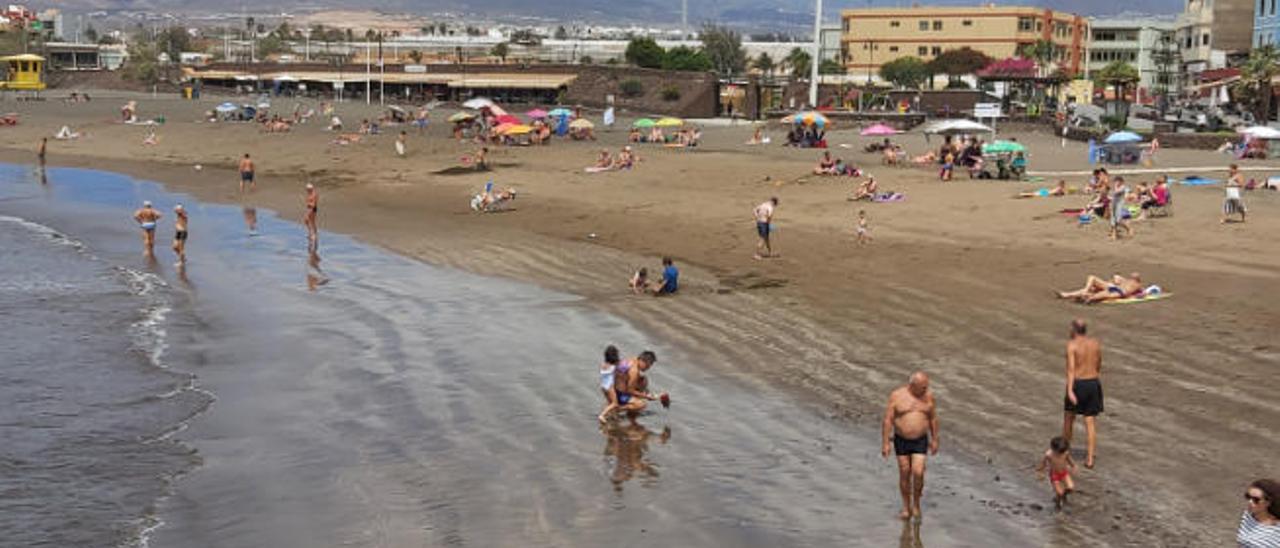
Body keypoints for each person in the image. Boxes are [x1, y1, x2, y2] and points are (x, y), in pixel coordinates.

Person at [881, 372, 939, 520]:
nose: (926, 390)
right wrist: (886, 443)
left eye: (926, 387)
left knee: (918, 472)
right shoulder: (897, 396)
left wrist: (935, 439)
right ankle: (906, 507)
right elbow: (888, 420)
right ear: (912, 386)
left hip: (920, 440)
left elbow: (933, 418)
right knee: (905, 472)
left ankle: (917, 504)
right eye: (923, 387)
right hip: (901, 440)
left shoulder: (928, 397)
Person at [1061, 319, 1102, 469]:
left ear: (1074, 330)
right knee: (1090, 422)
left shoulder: (1071, 345)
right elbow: (1098, 363)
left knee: (1068, 419)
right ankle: (1090, 458)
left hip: (1078, 383)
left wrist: (1070, 390)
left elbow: (1071, 369)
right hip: (1093, 382)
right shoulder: (1095, 343)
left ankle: (1063, 452)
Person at [613, 351, 665, 426]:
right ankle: (616, 408)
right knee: (641, 404)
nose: (648, 368)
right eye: (648, 366)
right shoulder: (634, 371)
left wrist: (646, 392)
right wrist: (647, 396)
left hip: (613, 386)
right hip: (618, 392)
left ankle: (629, 410)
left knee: (643, 380)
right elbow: (629, 390)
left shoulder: (632, 360)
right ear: (643, 361)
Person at [1036, 436, 1077, 510]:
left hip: (1064, 473)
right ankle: (1058, 504)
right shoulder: (1049, 455)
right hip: (1055, 475)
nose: (1061, 454)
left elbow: (1070, 460)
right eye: (1059, 452)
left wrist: (1073, 466)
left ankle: (1063, 496)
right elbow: (1043, 463)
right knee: (1059, 492)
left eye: (1062, 452)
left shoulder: (1065, 453)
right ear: (1053, 449)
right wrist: (1040, 471)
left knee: (1071, 487)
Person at [1239, 479, 1280, 547]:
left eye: (1256, 500)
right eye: (1248, 497)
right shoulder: (1248, 516)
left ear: (1268, 502)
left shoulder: (1277, 530)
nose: (1250, 502)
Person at [1055, 272, 1144, 304]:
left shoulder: (1137, 285)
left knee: (1094, 295)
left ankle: (1085, 295)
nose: (1133, 275)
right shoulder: (1127, 281)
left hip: (1118, 292)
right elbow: (1116, 280)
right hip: (1114, 289)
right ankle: (1066, 295)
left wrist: (1135, 296)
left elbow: (1142, 293)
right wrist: (1115, 279)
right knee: (1092, 284)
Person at [598, 345, 622, 423]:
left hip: (603, 386)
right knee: (615, 403)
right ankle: (602, 415)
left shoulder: (603, 365)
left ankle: (612, 415)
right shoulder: (614, 366)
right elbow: (620, 371)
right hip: (609, 387)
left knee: (609, 402)